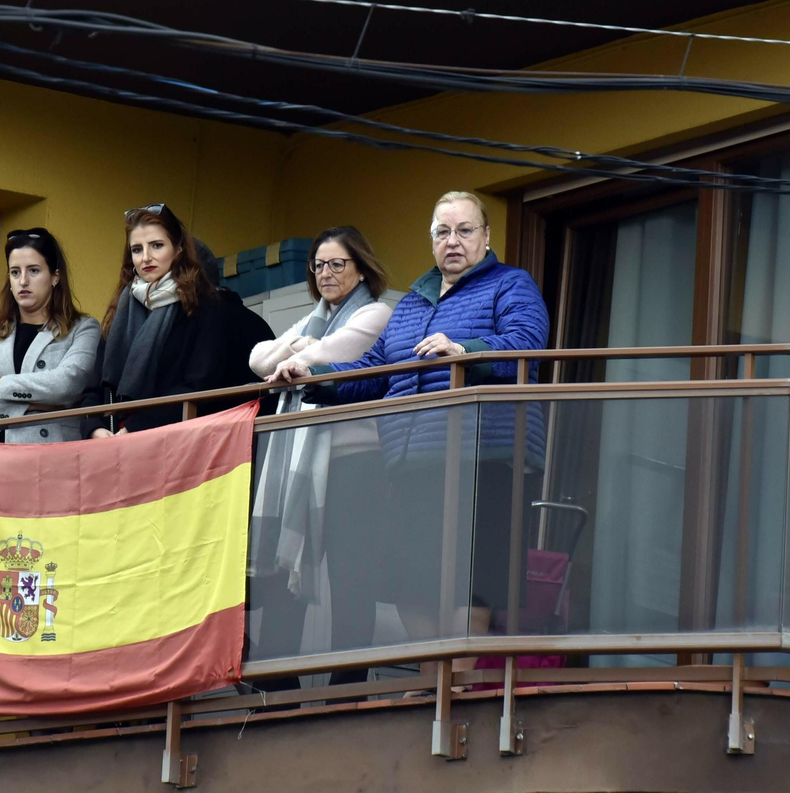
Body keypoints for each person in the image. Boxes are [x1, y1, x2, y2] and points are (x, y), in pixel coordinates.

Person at [272, 191, 549, 666]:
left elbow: (526, 343)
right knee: (410, 589)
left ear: (486, 236)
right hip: (411, 467)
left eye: (465, 230)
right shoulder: (414, 302)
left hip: (483, 457)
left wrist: (464, 350)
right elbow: (375, 370)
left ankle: (452, 699)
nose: (453, 242)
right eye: (443, 232)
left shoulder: (511, 284)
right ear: (432, 241)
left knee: (471, 589)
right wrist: (313, 379)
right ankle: (433, 691)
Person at [249, 227, 394, 685]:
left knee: (352, 582)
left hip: (355, 465)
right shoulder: (315, 318)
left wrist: (298, 352)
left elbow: (331, 356)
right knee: (282, 573)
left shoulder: (376, 313)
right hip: (302, 466)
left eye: (337, 264)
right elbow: (258, 360)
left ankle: (346, 690)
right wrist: (301, 349)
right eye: (318, 265)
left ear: (361, 267)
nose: (325, 273)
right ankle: (276, 686)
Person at [82, 204, 268, 438]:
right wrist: (96, 429)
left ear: (178, 249)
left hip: (173, 443)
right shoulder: (120, 311)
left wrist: (135, 428)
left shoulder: (206, 308)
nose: (146, 257)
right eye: (137, 249)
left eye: (157, 246)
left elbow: (198, 386)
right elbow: (93, 390)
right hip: (114, 445)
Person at [0, 227, 99, 443]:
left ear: (55, 277)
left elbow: (66, 385)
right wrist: (34, 405)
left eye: (33, 271)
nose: (23, 281)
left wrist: (1, 384)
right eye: (15, 272)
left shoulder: (83, 329)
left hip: (50, 460)